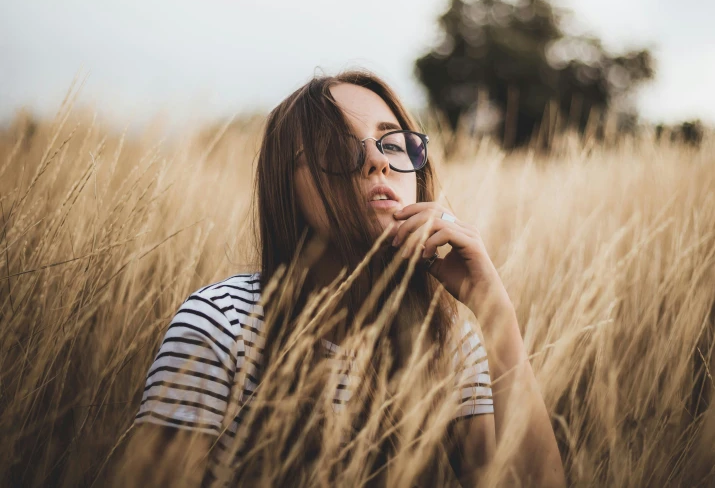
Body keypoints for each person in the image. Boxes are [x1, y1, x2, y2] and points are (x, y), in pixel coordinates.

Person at [116, 69, 566, 487]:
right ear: (285, 186)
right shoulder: (221, 325)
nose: (376, 162)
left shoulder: (450, 341)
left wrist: (495, 315)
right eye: (335, 148)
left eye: (391, 144)